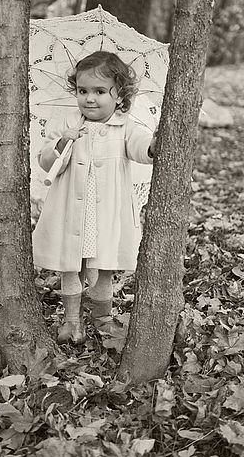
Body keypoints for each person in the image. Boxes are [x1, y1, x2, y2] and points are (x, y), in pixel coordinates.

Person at [32, 50, 157, 345]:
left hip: (105, 213)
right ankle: (71, 321)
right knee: (70, 265)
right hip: (71, 211)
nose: (89, 98)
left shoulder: (125, 126)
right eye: (82, 90)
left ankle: (103, 319)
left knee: (103, 269)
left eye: (100, 91)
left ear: (119, 95)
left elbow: (139, 147)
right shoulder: (69, 124)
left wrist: (151, 147)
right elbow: (45, 159)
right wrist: (63, 143)